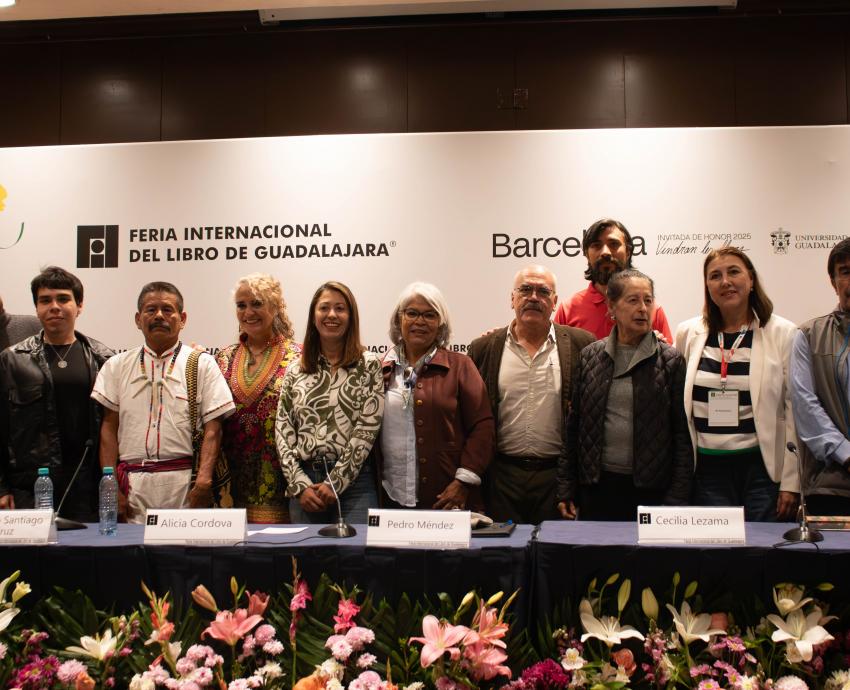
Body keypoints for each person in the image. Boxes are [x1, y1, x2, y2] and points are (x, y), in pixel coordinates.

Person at [92, 282, 235, 524]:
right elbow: (108, 427)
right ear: (138, 319)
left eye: (168, 310)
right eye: (151, 310)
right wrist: (110, 486)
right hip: (132, 486)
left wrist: (203, 481)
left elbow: (214, 428)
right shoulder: (116, 366)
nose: (159, 315)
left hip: (184, 485)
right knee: (134, 559)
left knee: (182, 559)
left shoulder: (201, 364)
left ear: (183, 319)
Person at [675, 247, 799, 522]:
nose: (725, 282)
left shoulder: (783, 333)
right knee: (717, 556)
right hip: (707, 469)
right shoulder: (689, 333)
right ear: (707, 286)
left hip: (763, 470)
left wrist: (792, 482)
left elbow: (794, 410)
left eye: (734, 272)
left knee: (762, 555)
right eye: (715, 276)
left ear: (751, 279)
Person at [558, 269, 692, 520]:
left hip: (652, 490)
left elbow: (681, 434)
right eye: (633, 300)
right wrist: (566, 487)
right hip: (597, 488)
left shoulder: (671, 360)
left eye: (648, 300)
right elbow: (574, 427)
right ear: (612, 307)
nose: (643, 308)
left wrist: (678, 496)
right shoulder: (590, 356)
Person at [468, 264, 594, 524]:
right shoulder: (483, 348)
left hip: (557, 479)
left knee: (553, 559)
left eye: (543, 291)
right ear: (512, 299)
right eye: (525, 290)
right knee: (503, 558)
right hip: (502, 478)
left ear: (555, 302)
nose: (534, 297)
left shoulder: (583, 344)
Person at [0, 267, 112, 520]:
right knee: (31, 560)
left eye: (63, 299)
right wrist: (2, 488)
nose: (54, 306)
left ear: (79, 306)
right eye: (45, 300)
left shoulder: (103, 358)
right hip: (31, 487)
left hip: (88, 485)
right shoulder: (11, 360)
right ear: (36, 308)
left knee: (88, 557)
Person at [377, 282, 494, 511]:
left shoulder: (461, 366)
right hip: (391, 497)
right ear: (398, 319)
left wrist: (463, 481)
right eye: (412, 313)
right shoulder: (379, 368)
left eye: (430, 315)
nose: (419, 321)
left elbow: (483, 426)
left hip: (447, 498)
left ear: (440, 324)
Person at [276, 281, 383, 524]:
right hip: (305, 484)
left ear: (351, 316)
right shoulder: (295, 369)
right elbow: (283, 431)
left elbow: (366, 430)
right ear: (314, 316)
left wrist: (335, 482)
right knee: (308, 561)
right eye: (324, 308)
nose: (332, 315)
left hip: (355, 485)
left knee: (356, 560)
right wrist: (299, 485)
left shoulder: (369, 365)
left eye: (340, 308)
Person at [216, 274, 302, 523]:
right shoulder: (223, 358)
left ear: (276, 307)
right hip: (232, 486)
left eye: (257, 303)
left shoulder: (300, 357)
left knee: (280, 557)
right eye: (241, 305)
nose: (248, 312)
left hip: (284, 484)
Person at [790, 238, 850, 515]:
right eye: (846, 271)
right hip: (832, 485)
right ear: (833, 280)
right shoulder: (808, 335)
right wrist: (845, 454)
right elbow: (805, 405)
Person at [554, 218, 672, 342]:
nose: (605, 252)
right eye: (596, 245)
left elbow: (667, 359)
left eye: (614, 244)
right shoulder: (567, 310)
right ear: (587, 255)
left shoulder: (651, 310)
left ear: (628, 252)